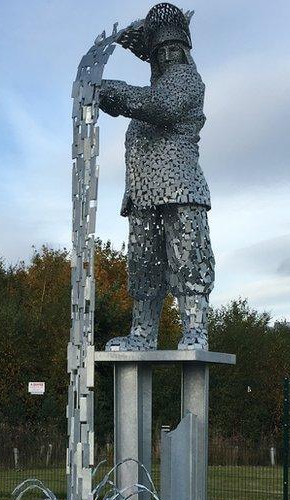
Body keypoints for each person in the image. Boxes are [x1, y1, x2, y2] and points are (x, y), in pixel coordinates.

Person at [98, 3, 214, 351]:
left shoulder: (187, 81)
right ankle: (143, 334)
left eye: (171, 49)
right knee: (144, 267)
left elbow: (159, 105)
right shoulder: (150, 95)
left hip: (181, 190)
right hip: (144, 195)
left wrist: (110, 91)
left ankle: (195, 330)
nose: (165, 57)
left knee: (189, 261)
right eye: (159, 51)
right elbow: (147, 103)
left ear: (183, 50)